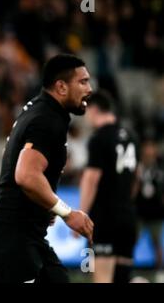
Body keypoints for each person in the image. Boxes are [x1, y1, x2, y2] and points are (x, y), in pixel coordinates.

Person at [0, 54, 94, 283]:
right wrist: (67, 213)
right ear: (61, 87)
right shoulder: (47, 119)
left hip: (26, 237)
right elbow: (26, 175)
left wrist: (44, 204)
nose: (89, 89)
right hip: (12, 239)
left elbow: (16, 162)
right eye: (82, 82)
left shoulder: (39, 110)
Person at [79, 90, 139, 283]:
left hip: (105, 219)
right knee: (122, 278)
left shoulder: (99, 139)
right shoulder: (130, 136)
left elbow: (91, 179)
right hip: (128, 217)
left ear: (95, 109)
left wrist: (82, 213)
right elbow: (135, 177)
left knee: (103, 278)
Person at [134, 139, 164, 282]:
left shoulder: (160, 168)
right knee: (132, 240)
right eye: (147, 148)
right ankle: (127, 269)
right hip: (139, 211)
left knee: (156, 242)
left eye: (152, 148)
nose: (149, 151)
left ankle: (160, 271)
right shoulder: (137, 167)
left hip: (156, 212)